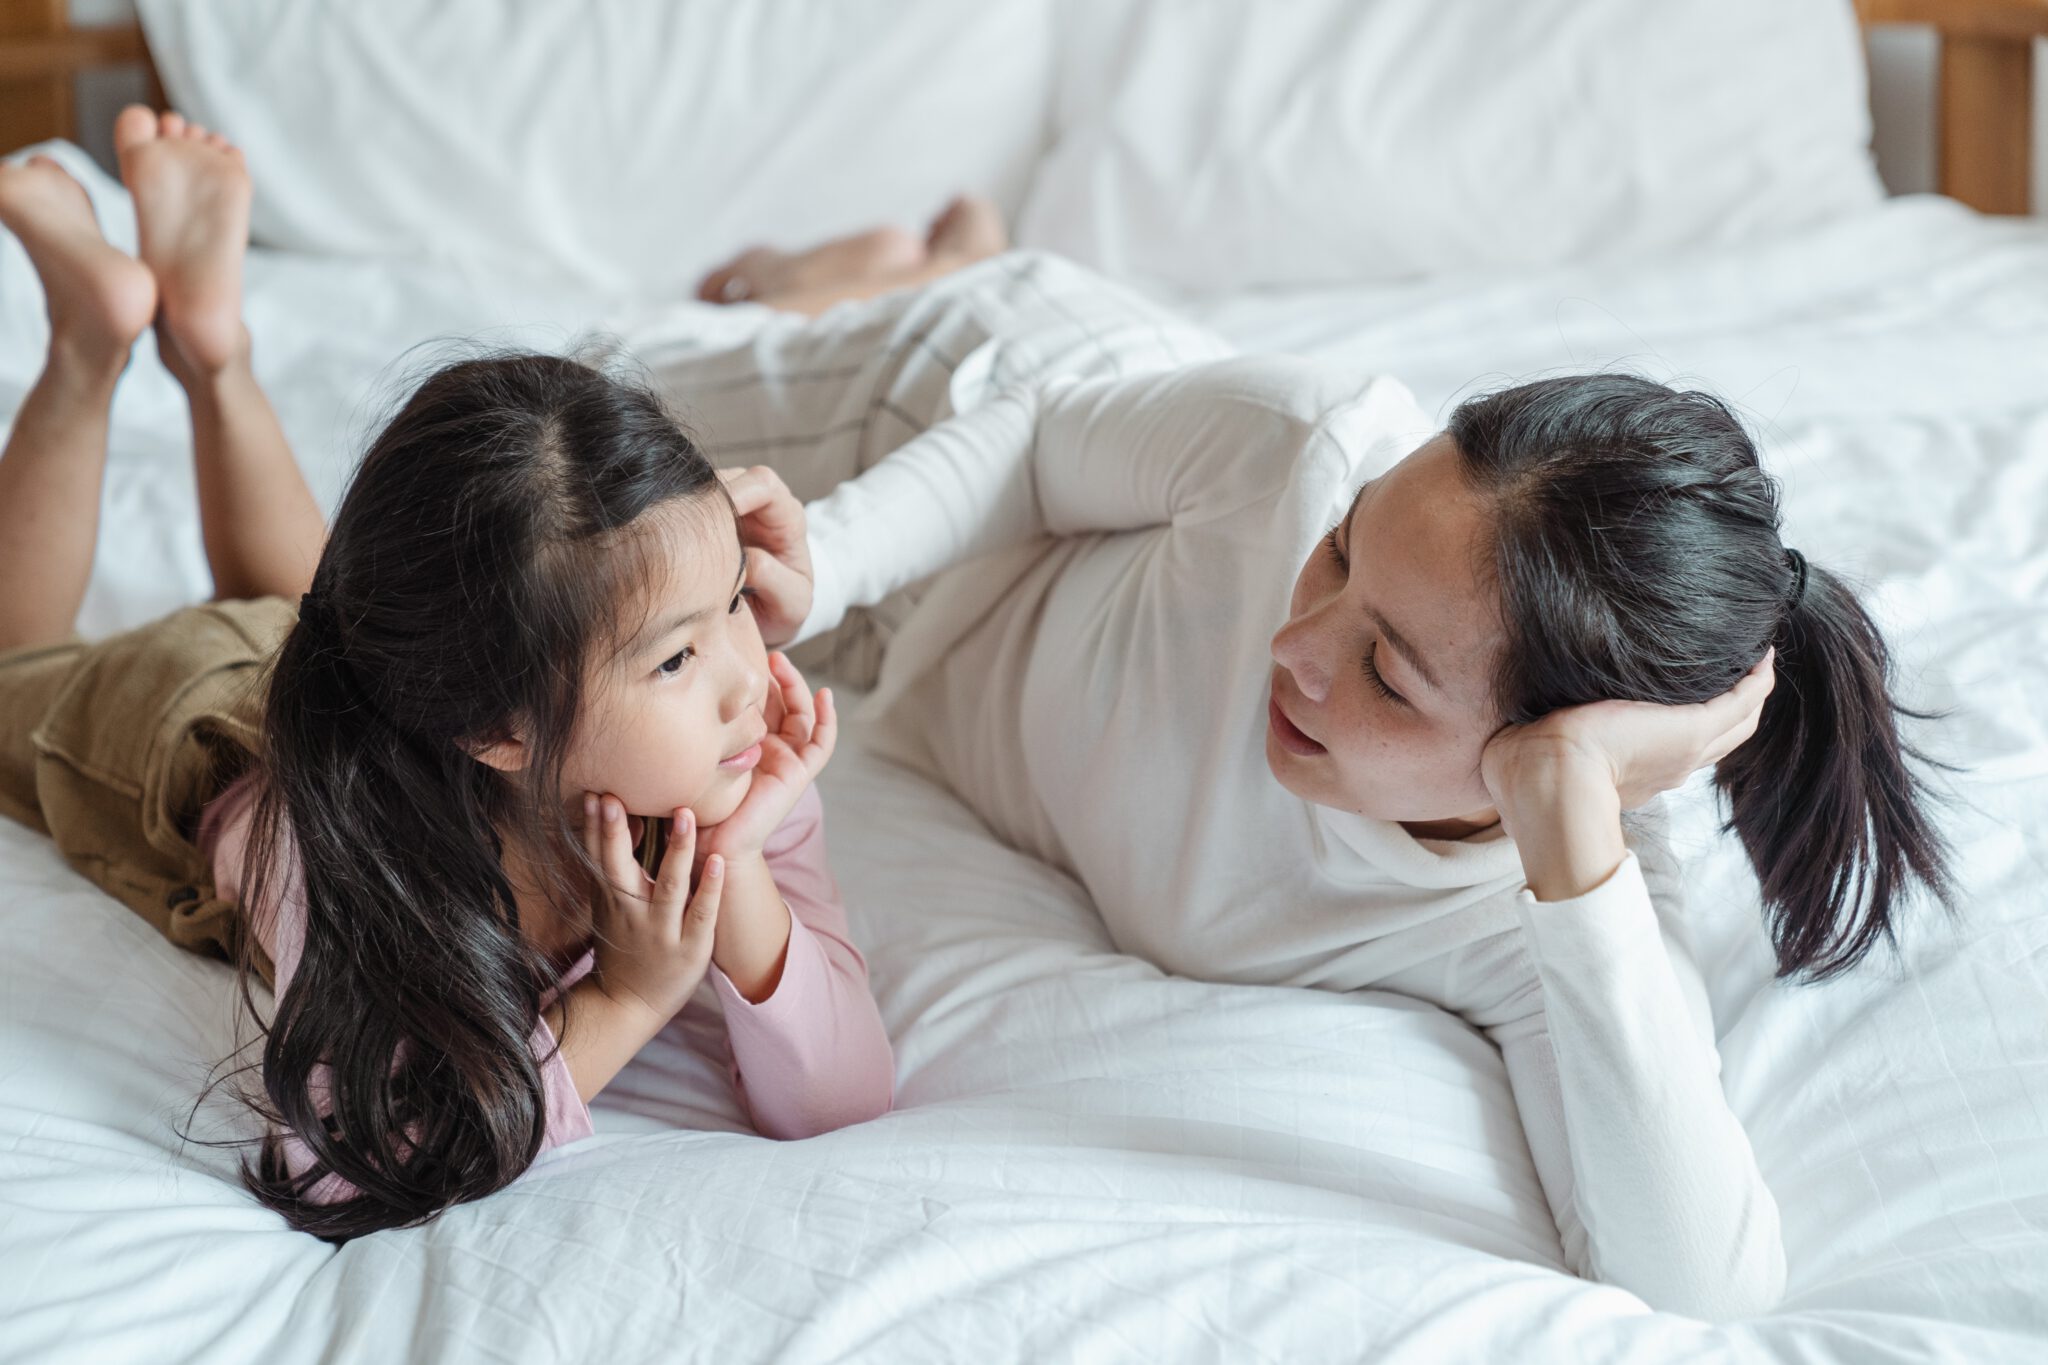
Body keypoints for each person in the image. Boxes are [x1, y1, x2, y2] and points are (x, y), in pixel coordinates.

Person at [655, 245, 1952, 1320]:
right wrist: (832, 559)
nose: (1296, 646)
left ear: (1534, 762)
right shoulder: (1300, 446)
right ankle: (932, 260)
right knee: (599, 406)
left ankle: (927, 243)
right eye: (1341, 554)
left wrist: (1569, 813)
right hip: (941, 429)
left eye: (1386, 673)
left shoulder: (1537, 912)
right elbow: (1046, 441)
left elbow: (1705, 1285)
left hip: (909, 673)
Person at [0, 109, 893, 1243]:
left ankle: (210, 342)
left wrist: (738, 861)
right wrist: (622, 1000)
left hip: (356, 662)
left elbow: (844, 1098)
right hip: (189, 724)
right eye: (675, 655)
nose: (741, 677)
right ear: (497, 728)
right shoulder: (350, 849)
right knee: (15, 666)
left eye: (733, 605)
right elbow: (341, 1169)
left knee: (305, 598)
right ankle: (92, 338)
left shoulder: (720, 754)